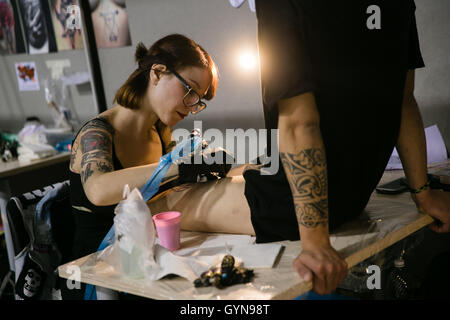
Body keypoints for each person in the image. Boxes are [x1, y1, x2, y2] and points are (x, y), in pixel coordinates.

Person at [240, 0, 450, 296]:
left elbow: (299, 122)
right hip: (354, 198)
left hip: (293, 211)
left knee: (180, 200)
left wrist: (315, 242)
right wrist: (423, 192)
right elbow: (403, 101)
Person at [65, 33, 233, 299]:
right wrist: (179, 166)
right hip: (97, 276)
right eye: (189, 91)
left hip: (140, 260)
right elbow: (97, 189)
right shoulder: (95, 133)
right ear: (157, 73)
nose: (191, 107)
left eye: (197, 100)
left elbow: (165, 190)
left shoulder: (159, 133)